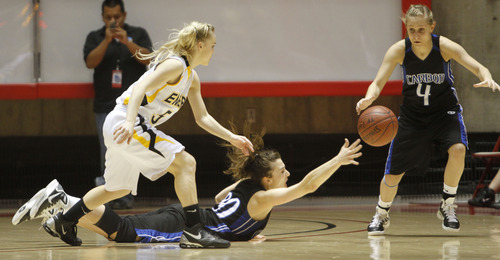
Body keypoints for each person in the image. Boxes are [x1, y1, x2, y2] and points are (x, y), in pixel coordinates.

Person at [39, 21, 255, 248]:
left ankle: (65, 220)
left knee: (117, 188)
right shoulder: (175, 65)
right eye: (213, 45)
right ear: (200, 45)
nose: (214, 50)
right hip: (127, 122)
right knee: (186, 163)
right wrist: (131, 122)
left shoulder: (191, 78)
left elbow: (202, 118)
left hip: (123, 123)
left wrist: (232, 137)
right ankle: (194, 230)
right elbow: (139, 87)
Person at [12, 125, 362, 244]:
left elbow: (227, 199)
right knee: (120, 231)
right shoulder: (265, 198)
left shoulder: (247, 189)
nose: (288, 174)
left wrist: (242, 233)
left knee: (119, 231)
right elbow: (307, 187)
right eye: (283, 171)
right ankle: (62, 198)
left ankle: (64, 205)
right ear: (267, 180)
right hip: (182, 227)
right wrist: (337, 160)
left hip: (186, 218)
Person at [355, 4, 500, 236]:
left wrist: (487, 78)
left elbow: (477, 66)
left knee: (459, 149)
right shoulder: (399, 50)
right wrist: (369, 97)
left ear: (432, 27)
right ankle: (381, 213)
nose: (416, 35)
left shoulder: (444, 47)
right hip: (412, 117)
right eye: (411, 30)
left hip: (445, 113)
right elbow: (378, 82)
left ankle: (448, 205)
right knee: (393, 174)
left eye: (421, 29)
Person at [84, 0, 153, 209]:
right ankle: (106, 195)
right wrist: (106, 41)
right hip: (105, 105)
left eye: (117, 16)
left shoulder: (138, 33)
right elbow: (90, 62)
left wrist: (127, 42)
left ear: (124, 15)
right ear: (102, 16)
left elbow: (148, 58)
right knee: (109, 151)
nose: (113, 20)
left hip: (135, 106)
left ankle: (125, 195)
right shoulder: (95, 37)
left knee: (132, 148)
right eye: (108, 17)